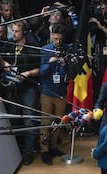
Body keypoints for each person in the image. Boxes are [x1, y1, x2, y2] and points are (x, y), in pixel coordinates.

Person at [0, 20, 40, 165]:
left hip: (28, 86)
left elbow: (41, 68)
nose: (13, 34)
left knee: (29, 119)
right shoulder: (8, 44)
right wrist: (4, 63)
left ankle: (29, 152)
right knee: (13, 118)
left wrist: (28, 73)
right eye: (12, 31)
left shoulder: (32, 47)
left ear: (24, 33)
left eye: (16, 31)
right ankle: (15, 150)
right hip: (11, 86)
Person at [39, 24, 69, 165]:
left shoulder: (67, 49)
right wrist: (51, 62)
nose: (57, 42)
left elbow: (71, 72)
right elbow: (42, 71)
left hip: (61, 92)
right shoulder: (45, 50)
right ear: (51, 36)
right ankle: (44, 151)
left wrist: (65, 65)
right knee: (45, 123)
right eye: (55, 39)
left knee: (58, 122)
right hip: (47, 91)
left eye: (60, 39)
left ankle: (53, 147)